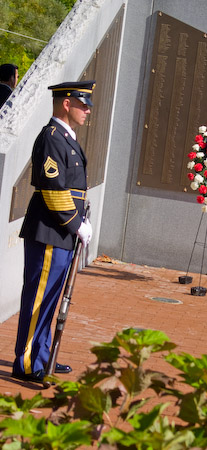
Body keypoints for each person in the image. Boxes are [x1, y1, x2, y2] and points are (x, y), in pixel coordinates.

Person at [12, 80, 95, 384]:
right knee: (39, 298)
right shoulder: (52, 138)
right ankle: (29, 362)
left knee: (49, 298)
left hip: (59, 232)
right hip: (50, 230)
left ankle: (41, 354)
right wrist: (77, 224)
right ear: (66, 104)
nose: (87, 111)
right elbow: (53, 189)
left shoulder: (65, 138)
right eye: (83, 104)